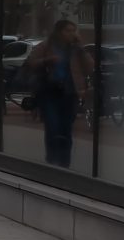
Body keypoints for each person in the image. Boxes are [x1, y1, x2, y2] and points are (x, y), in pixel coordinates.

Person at [22, 20, 91, 168]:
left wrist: (81, 48)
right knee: (53, 126)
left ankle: (64, 162)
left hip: (70, 92)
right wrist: (48, 60)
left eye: (74, 30)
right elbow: (31, 62)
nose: (71, 34)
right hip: (49, 92)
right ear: (59, 32)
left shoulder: (76, 49)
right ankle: (52, 159)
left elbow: (90, 67)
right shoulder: (46, 46)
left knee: (66, 129)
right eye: (68, 31)